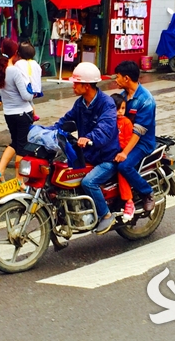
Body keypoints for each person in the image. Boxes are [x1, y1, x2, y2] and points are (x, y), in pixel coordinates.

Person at [52, 62, 120, 235]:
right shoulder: (80, 103)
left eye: (76, 83)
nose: (73, 86)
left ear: (87, 85)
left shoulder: (107, 104)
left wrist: (89, 138)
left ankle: (105, 215)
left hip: (107, 157)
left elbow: (104, 130)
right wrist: (48, 131)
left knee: (89, 182)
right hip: (88, 155)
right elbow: (66, 121)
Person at [0, 38, 35, 188]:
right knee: (22, 147)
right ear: (16, 52)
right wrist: (33, 92)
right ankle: (19, 180)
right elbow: (25, 96)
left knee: (15, 143)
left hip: (9, 113)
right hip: (23, 114)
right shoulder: (15, 71)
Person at [114, 61, 156, 213]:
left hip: (142, 143)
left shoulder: (146, 100)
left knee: (124, 165)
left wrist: (125, 153)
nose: (115, 80)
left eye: (117, 77)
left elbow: (138, 132)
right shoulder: (123, 96)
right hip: (124, 139)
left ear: (126, 78)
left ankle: (147, 192)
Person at [111, 93, 135, 222]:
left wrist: (119, 149)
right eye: (117, 108)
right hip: (110, 153)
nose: (120, 112)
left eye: (123, 108)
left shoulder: (126, 122)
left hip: (123, 152)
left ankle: (129, 201)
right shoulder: (108, 121)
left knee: (121, 169)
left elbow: (128, 141)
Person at [15, 40, 43, 121]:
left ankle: (34, 114)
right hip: (35, 87)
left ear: (19, 53)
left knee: (28, 101)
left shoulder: (19, 63)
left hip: (26, 87)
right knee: (30, 101)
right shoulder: (35, 63)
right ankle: (34, 114)